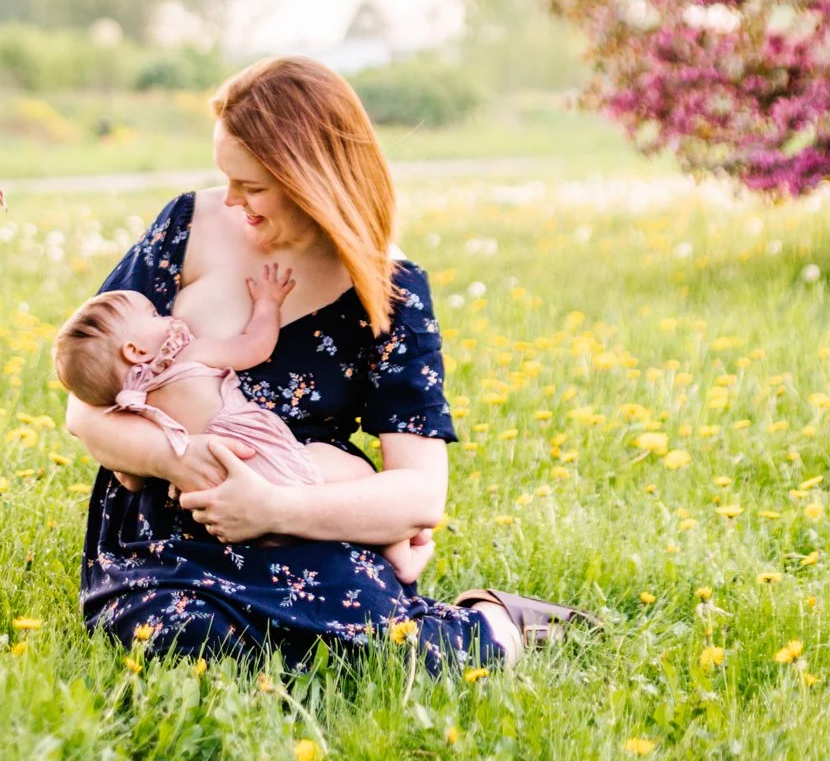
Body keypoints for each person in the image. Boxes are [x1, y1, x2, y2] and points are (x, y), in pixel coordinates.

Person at [64, 54, 591, 671]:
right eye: (227, 179)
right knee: (190, 645)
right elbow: (85, 407)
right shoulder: (187, 227)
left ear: (311, 180)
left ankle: (493, 622)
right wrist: (190, 462)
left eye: (253, 186)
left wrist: (271, 508)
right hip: (171, 525)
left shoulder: (388, 293)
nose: (233, 201)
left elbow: (420, 489)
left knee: (377, 654)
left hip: (309, 518)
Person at [53, 264, 433, 582]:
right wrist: (267, 304)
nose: (167, 317)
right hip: (265, 459)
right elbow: (255, 346)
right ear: (135, 350)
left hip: (216, 504)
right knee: (348, 468)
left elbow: (130, 476)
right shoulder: (190, 356)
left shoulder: (130, 410)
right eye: (153, 317)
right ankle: (395, 546)